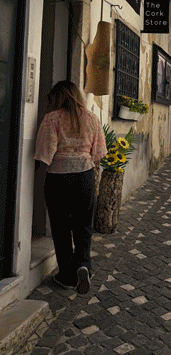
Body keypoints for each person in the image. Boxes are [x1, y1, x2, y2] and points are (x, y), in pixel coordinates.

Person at [34, 80, 107, 294]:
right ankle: (83, 264)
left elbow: (45, 152)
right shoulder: (91, 118)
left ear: (57, 97)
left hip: (58, 177)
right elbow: (98, 153)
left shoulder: (52, 118)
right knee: (83, 224)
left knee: (61, 226)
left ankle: (66, 276)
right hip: (85, 175)